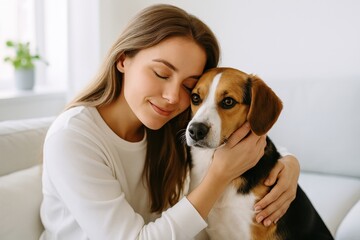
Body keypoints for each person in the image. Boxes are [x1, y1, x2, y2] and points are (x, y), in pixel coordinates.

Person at [40, 4, 300, 239]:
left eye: (189, 87)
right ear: (123, 59)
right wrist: (219, 175)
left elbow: (244, 137)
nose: (172, 97)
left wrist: (288, 163)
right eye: (161, 73)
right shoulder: (72, 137)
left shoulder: (169, 124)